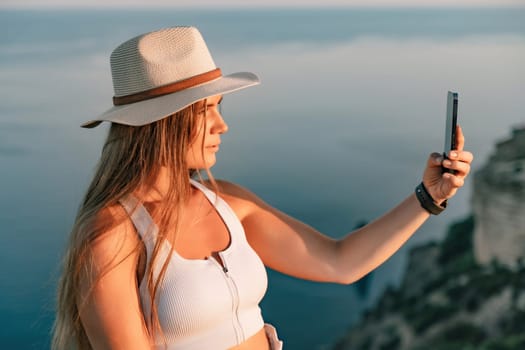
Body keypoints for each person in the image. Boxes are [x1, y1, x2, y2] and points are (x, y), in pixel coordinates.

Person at [52, 26, 473, 350]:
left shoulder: (228, 202)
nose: (222, 125)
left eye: (221, 108)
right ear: (165, 123)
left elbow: (339, 262)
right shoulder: (112, 234)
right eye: (207, 112)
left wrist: (428, 197)